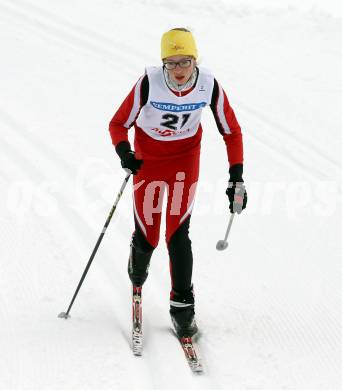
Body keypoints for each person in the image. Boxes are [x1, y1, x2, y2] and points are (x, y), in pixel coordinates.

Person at [109, 28, 247, 337]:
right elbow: (118, 123)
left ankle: (182, 306)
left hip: (185, 162)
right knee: (149, 235)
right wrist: (125, 152)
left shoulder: (208, 84)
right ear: (162, 64)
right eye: (171, 63)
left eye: (185, 62)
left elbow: (232, 131)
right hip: (149, 162)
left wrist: (235, 176)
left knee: (178, 234)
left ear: (195, 60)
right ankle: (138, 266)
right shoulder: (149, 83)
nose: (179, 70)